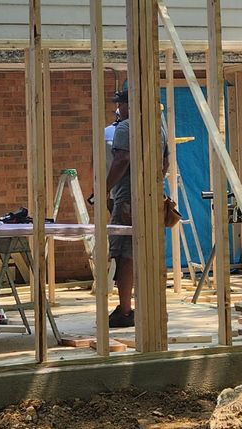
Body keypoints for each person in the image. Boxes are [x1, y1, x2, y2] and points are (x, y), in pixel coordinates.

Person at [102, 85, 166, 328]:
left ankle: (126, 310)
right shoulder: (158, 128)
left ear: (131, 104)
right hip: (151, 198)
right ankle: (152, 307)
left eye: (121, 103)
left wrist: (104, 188)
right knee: (147, 251)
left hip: (127, 199)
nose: (119, 108)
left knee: (125, 255)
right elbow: (166, 162)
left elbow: (122, 159)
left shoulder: (126, 127)